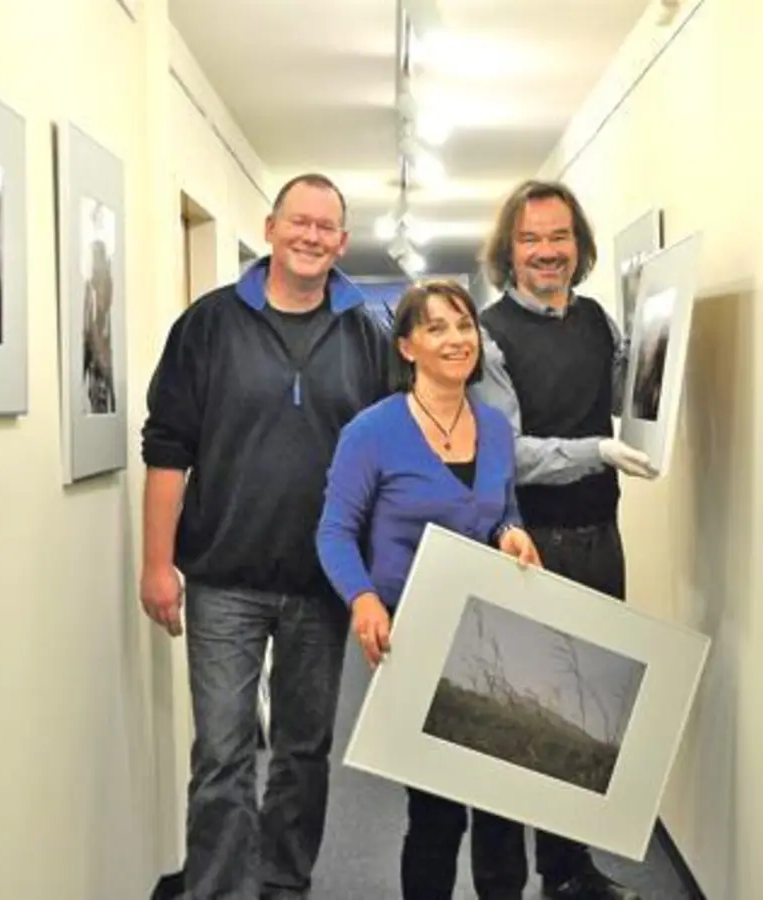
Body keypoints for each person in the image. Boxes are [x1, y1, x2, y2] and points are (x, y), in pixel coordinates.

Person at [139, 173, 394, 900]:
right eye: (299, 222)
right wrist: (157, 565)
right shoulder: (209, 324)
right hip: (223, 578)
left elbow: (395, 454)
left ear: (342, 241)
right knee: (222, 753)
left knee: (303, 752)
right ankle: (220, 889)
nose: (312, 237)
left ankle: (284, 885)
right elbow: (167, 449)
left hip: (324, 584)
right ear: (272, 227)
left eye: (327, 227)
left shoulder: (369, 333)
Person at [315, 279, 542, 900]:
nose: (455, 339)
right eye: (436, 327)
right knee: (437, 812)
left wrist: (512, 534)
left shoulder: (494, 428)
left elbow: (503, 511)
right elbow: (335, 532)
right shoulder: (372, 431)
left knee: (502, 804)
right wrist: (363, 599)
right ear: (408, 346)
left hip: (492, 634)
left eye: (464, 325)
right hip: (415, 633)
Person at [469, 179, 654, 900]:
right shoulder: (488, 336)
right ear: (507, 251)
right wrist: (598, 452)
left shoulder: (598, 320)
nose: (546, 252)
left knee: (585, 715)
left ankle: (569, 873)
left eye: (559, 238)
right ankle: (500, 883)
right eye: (531, 240)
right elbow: (505, 454)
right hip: (523, 544)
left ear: (578, 247)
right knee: (510, 720)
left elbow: (620, 402)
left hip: (599, 537)